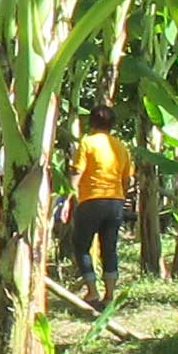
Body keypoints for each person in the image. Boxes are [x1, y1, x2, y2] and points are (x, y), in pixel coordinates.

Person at [60, 103, 134, 293]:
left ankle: (92, 292)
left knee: (81, 245)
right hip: (115, 201)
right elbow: (127, 178)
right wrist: (121, 198)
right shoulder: (120, 146)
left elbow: (77, 171)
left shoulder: (87, 143)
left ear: (91, 122)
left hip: (91, 200)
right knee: (109, 248)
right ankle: (109, 294)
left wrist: (68, 198)